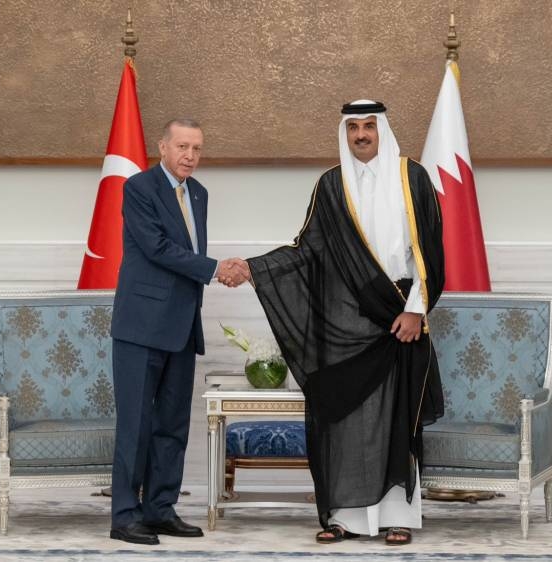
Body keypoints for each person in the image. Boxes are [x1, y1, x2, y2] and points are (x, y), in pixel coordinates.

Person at [236, 100, 445, 546]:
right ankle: (344, 518)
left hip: (398, 316)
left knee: (394, 418)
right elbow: (306, 249)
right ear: (345, 133)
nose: (361, 135)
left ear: (382, 129)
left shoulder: (413, 179)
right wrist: (254, 268)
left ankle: (397, 517)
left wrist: (415, 310)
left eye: (369, 126)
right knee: (345, 419)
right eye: (353, 128)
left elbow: (430, 251)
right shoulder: (331, 185)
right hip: (343, 319)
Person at [109, 118, 246, 545]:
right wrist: (216, 269)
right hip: (140, 326)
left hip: (182, 326)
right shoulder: (139, 188)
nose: (190, 156)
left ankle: (160, 510)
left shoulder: (198, 193)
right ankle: (125, 516)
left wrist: (217, 269)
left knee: (172, 424)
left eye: (197, 148)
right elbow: (158, 248)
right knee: (136, 425)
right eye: (182, 146)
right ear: (163, 147)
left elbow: (186, 251)